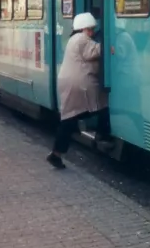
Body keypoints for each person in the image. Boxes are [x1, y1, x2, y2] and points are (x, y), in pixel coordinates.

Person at [47, 12, 110, 169]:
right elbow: (95, 52)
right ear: (84, 28)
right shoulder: (82, 39)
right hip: (79, 85)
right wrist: (109, 40)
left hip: (71, 83)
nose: (92, 32)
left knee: (69, 119)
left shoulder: (73, 39)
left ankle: (56, 154)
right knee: (103, 104)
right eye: (90, 29)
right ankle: (103, 135)